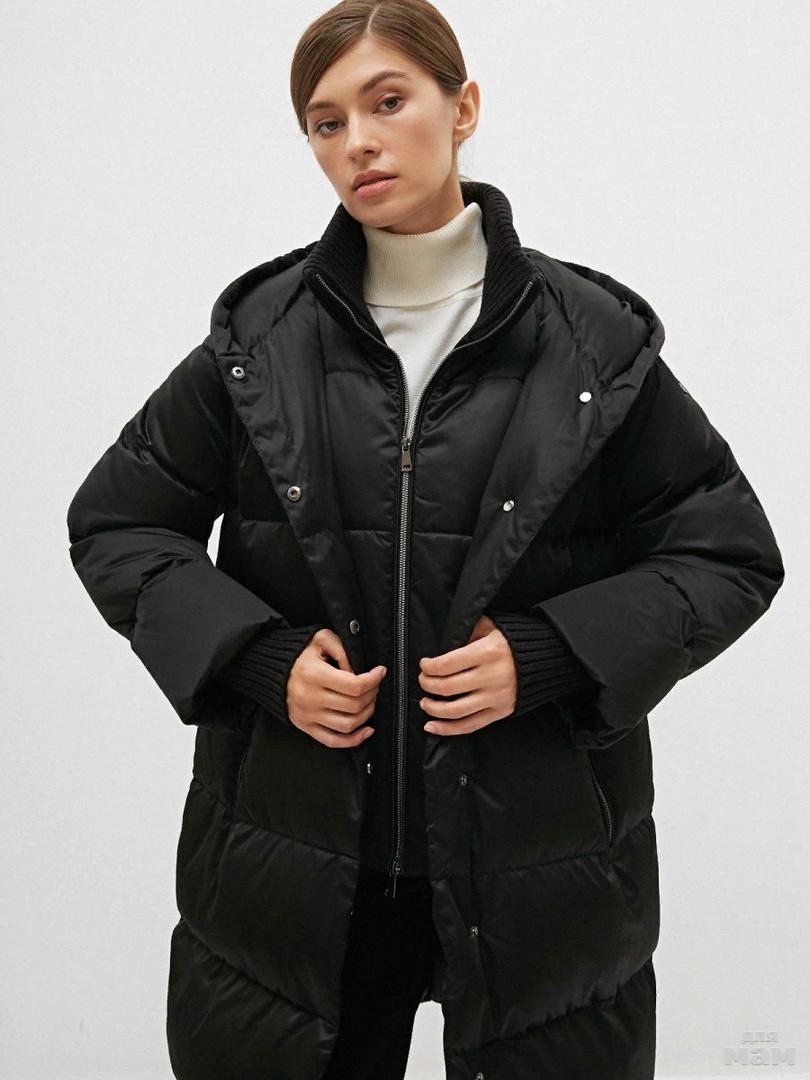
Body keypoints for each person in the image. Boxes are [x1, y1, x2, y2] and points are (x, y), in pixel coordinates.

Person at [65, 1, 786, 1078]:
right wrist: (257, 660)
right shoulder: (260, 341)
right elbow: (118, 521)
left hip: (536, 868)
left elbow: (727, 554)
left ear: (463, 108)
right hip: (296, 870)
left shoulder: (589, 343)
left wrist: (552, 653)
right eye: (325, 122)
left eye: (388, 101)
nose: (357, 141)